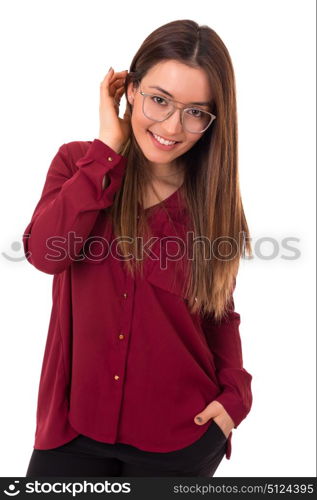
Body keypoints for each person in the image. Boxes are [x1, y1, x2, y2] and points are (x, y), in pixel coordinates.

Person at [24, 19, 253, 477]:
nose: (171, 126)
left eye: (195, 111)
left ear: (212, 120)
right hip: (73, 431)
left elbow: (216, 312)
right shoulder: (79, 165)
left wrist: (234, 397)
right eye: (159, 100)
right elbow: (47, 254)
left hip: (179, 441)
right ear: (130, 90)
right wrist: (109, 147)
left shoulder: (211, 204)